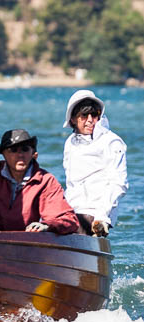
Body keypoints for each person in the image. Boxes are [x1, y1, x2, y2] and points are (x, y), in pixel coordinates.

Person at [63, 89, 127, 237]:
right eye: (84, 115)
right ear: (73, 119)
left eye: (94, 114)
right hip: (72, 209)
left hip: (96, 212)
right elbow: (71, 184)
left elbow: (119, 183)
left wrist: (101, 217)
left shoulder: (111, 141)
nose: (90, 120)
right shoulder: (70, 143)